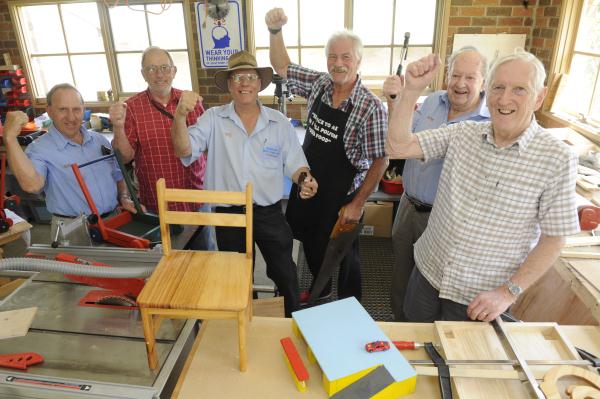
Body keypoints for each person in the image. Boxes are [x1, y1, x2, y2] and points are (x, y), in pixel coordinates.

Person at [383, 50, 579, 322]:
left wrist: (508, 293)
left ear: (539, 97)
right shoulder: (464, 133)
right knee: (413, 344)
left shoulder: (557, 158)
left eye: (519, 89)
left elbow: (555, 238)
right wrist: (411, 91)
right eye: (499, 87)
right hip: (428, 273)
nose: (505, 98)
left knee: (459, 362)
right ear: (489, 88)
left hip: (479, 297)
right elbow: (398, 146)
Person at [171, 50, 318, 317]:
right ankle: (245, 325)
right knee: (236, 280)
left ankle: (292, 323)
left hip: (268, 213)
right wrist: (180, 116)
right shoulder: (213, 119)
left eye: (250, 76)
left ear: (260, 83)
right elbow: (184, 150)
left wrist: (305, 179)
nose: (244, 83)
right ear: (229, 84)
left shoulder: (279, 123)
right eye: (237, 77)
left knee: (285, 274)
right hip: (229, 215)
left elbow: (296, 163)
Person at [266, 8, 388, 302]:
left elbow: (380, 160)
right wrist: (274, 31)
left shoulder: (370, 107)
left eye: (346, 57)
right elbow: (283, 67)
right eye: (333, 57)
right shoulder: (321, 84)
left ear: (358, 60)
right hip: (310, 187)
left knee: (345, 257)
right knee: (311, 242)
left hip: (342, 197)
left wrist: (357, 204)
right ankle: (320, 291)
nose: (338, 63)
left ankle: (349, 306)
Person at [390, 46, 490, 321]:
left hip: (443, 220)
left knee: (432, 288)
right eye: (456, 75)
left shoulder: (490, 122)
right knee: (400, 274)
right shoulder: (433, 101)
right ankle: (399, 328)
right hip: (407, 206)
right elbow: (401, 139)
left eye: (470, 77)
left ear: (484, 82)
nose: (460, 84)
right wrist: (397, 99)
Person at [4, 83, 137, 246]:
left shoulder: (99, 140)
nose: (71, 117)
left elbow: (117, 175)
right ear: (49, 111)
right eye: (62, 110)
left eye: (76, 109)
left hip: (114, 222)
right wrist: (10, 138)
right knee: (78, 270)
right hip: (74, 229)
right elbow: (32, 185)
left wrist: (124, 196)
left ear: (83, 109)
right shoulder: (39, 149)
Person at [109, 46, 215, 250]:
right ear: (143, 74)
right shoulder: (132, 107)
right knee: (168, 259)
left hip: (196, 195)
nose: (159, 75)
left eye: (165, 68)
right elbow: (124, 158)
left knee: (205, 254)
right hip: (158, 203)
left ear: (174, 71)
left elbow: (209, 146)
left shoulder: (190, 101)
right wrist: (118, 127)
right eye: (152, 69)